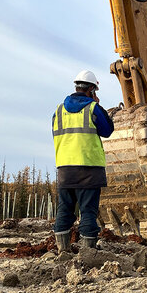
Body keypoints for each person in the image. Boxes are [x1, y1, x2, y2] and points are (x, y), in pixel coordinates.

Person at [52, 70, 114, 251]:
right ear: (92, 90)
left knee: (64, 210)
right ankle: (88, 252)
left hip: (65, 169)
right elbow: (107, 130)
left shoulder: (58, 111)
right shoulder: (93, 108)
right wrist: (99, 107)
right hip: (89, 169)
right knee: (88, 211)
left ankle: (62, 250)